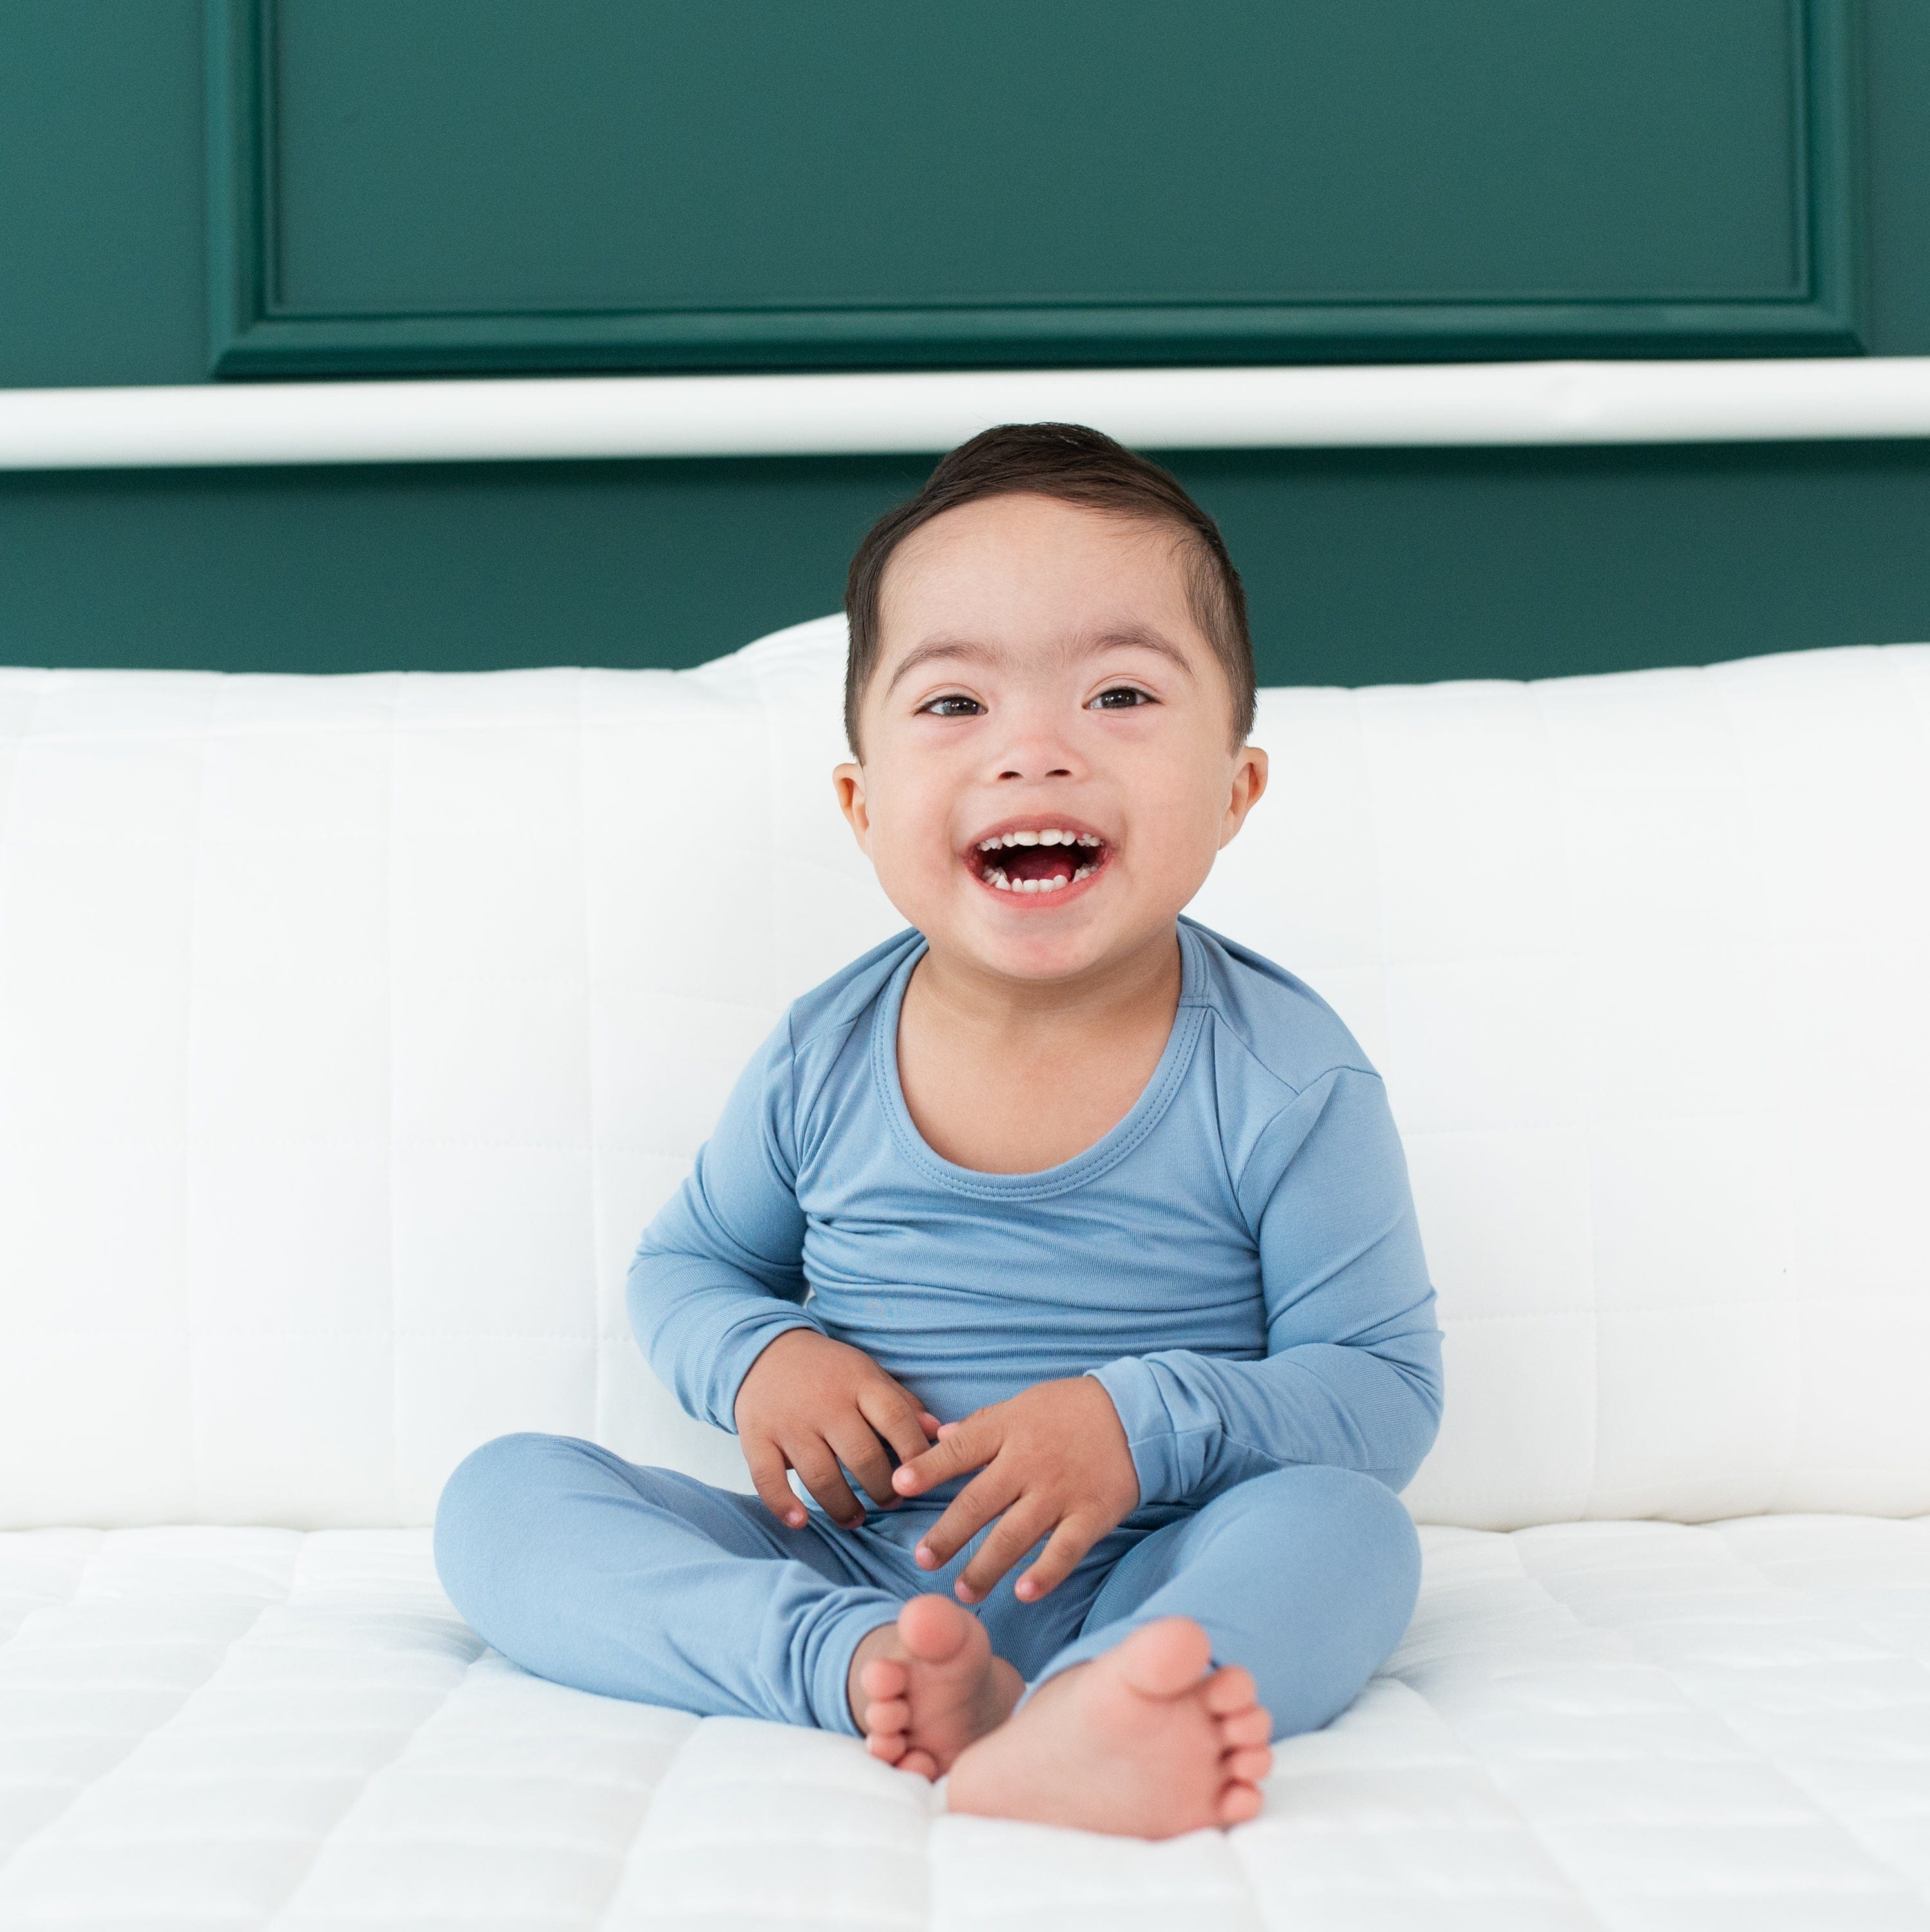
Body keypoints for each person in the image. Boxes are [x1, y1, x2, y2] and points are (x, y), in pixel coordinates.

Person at [433, 422, 1445, 1839]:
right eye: (955, 704)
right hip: (839, 1559)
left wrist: (1134, 1425)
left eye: (1117, 693)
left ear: (1234, 791)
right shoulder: (819, 1056)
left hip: (1148, 1564)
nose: (1032, 752)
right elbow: (685, 1272)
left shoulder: (1286, 1076)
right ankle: (857, 1677)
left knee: (1348, 1536)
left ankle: (1115, 1707)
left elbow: (1383, 1391)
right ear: (860, 806)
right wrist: (762, 1356)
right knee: (501, 1498)